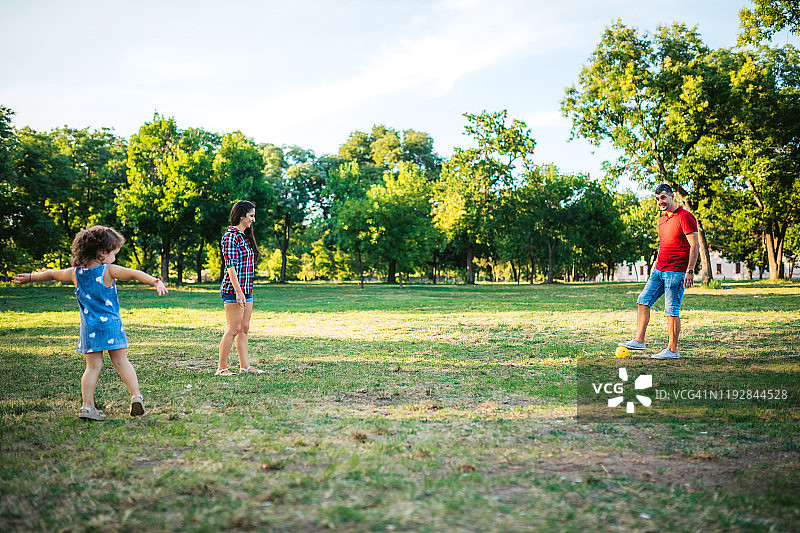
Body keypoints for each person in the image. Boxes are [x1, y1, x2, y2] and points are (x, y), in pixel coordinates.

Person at [12, 226, 168, 420]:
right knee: (121, 362)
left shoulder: (75, 273)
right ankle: (136, 396)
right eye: (113, 254)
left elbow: (52, 274)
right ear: (102, 253)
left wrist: (30, 278)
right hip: (111, 325)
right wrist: (155, 281)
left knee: (92, 367)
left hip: (90, 328)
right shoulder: (108, 270)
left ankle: (87, 407)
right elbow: (134, 274)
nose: (114, 259)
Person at [619, 184, 699, 359]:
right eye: (657, 199)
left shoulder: (685, 217)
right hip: (659, 270)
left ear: (672, 196)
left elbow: (694, 245)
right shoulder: (662, 220)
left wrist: (690, 270)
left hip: (676, 272)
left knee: (671, 310)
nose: (660, 201)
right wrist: (654, 266)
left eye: (663, 197)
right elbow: (663, 245)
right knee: (643, 300)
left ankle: (672, 350)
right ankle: (639, 340)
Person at [217, 200, 264, 375]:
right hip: (233, 290)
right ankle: (221, 368)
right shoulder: (230, 236)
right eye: (251, 215)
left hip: (246, 290)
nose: (253, 219)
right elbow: (230, 266)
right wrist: (238, 292)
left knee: (244, 328)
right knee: (233, 329)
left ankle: (245, 367)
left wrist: (244, 291)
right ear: (242, 216)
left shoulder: (245, 236)